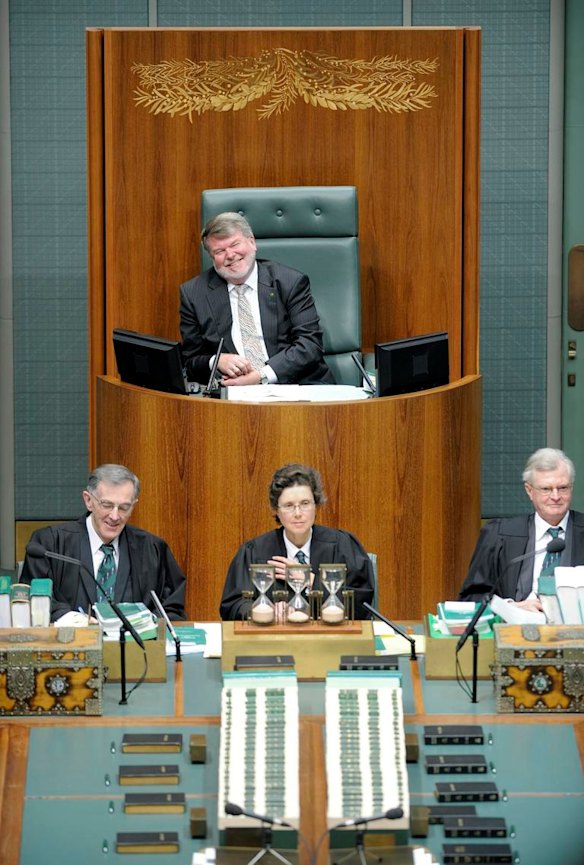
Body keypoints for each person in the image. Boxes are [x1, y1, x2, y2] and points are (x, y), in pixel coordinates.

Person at [180, 212, 335, 386]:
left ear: (252, 242)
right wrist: (216, 360)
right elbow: (190, 361)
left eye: (235, 244)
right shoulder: (193, 294)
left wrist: (261, 376)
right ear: (212, 258)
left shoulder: (290, 282)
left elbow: (310, 344)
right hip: (233, 393)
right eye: (220, 251)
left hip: (297, 385)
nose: (230, 255)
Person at [21, 464, 186, 622]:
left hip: (132, 648)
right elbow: (31, 600)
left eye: (124, 508)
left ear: (133, 506)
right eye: (107, 505)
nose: (114, 516)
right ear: (88, 501)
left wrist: (145, 623)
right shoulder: (50, 544)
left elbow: (172, 609)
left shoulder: (152, 549)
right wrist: (75, 621)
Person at [220, 463, 374, 620]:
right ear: (275, 510)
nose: (298, 513)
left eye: (305, 504)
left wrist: (312, 581)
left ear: (316, 505)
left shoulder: (342, 546)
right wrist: (263, 610)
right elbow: (233, 605)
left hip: (330, 640)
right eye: (289, 506)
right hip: (273, 642)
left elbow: (363, 604)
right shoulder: (254, 552)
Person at [459, 448, 584, 611]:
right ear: (529, 490)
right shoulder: (499, 535)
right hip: (515, 631)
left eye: (562, 488)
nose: (555, 496)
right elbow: (470, 599)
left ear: (571, 488)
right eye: (546, 489)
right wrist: (512, 607)